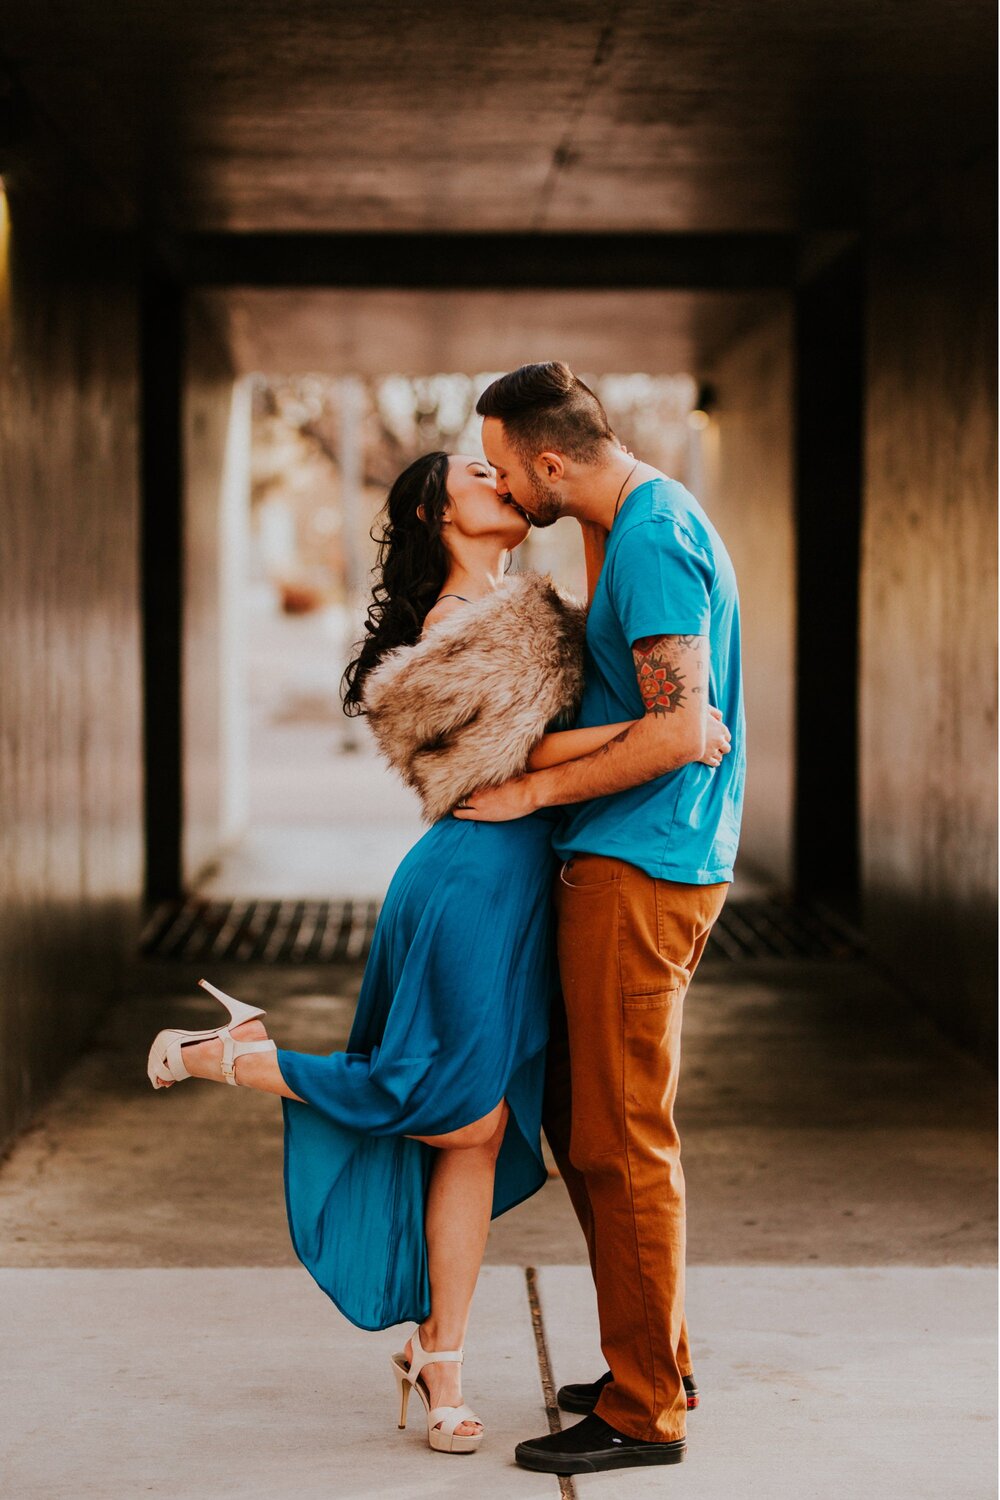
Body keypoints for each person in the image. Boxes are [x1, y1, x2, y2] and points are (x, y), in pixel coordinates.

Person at [145, 448, 732, 1458]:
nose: (498, 479)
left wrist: (643, 727)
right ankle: (235, 1056)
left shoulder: (530, 606)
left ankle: (441, 1366)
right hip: (468, 883)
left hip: (521, 885)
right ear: (433, 513)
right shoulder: (456, 624)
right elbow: (496, 753)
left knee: (476, 1129)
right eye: (474, 474)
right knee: (444, 1100)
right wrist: (657, 729)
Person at [454, 362, 746, 1476]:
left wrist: (528, 790)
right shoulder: (618, 524)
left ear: (551, 461)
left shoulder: (655, 536)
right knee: (588, 1122)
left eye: (504, 466)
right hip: (620, 860)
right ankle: (650, 1361)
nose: (499, 485)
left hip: (642, 866)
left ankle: (642, 1410)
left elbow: (681, 728)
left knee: (620, 1141)